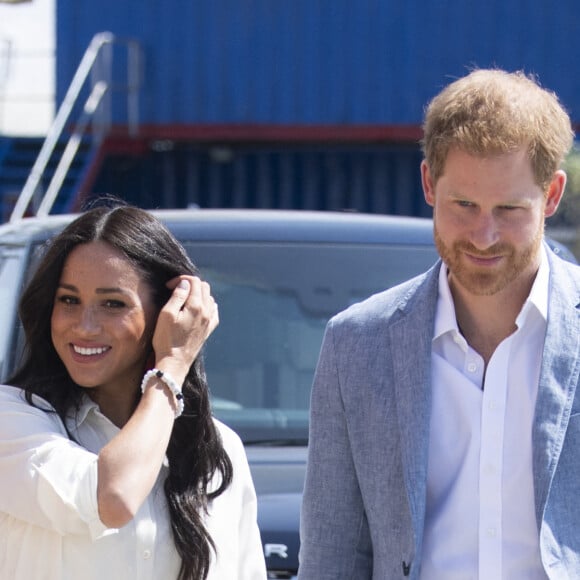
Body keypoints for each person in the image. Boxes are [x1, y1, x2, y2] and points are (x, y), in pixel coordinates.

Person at [298, 68, 580, 579]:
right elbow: (333, 554)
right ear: (429, 182)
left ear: (552, 196)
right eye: (465, 205)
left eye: (510, 209)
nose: (484, 235)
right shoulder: (357, 345)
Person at [0, 204, 267, 580]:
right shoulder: (12, 422)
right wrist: (172, 365)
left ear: (166, 314)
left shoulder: (219, 450)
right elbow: (112, 498)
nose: (85, 326)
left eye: (113, 304)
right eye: (69, 300)